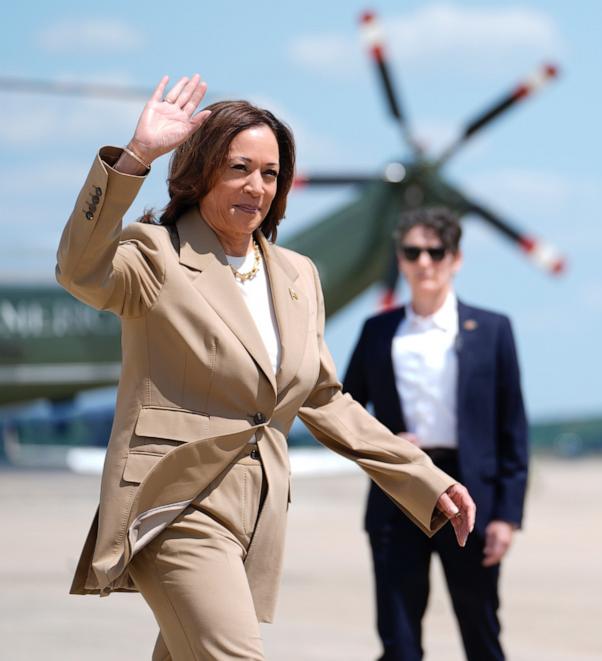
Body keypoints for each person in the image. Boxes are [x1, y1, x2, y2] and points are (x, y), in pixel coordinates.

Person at [58, 74, 476, 661]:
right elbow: (79, 269)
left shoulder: (297, 275)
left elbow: (325, 399)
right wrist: (137, 156)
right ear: (202, 173)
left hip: (255, 515)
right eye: (238, 168)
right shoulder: (155, 254)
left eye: (270, 173)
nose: (256, 186)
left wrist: (425, 478)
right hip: (174, 504)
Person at [343, 207, 529, 661]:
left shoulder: (492, 329)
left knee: (481, 633)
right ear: (401, 260)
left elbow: (513, 428)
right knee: (399, 641)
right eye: (412, 252)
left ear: (455, 258)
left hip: (470, 494)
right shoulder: (378, 331)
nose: (424, 261)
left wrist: (507, 515)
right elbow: (343, 408)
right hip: (399, 490)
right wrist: (386, 445)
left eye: (435, 251)